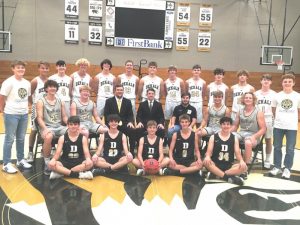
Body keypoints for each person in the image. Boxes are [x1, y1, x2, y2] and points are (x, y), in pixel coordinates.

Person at [0, 60, 32, 173]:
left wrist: (28, 107)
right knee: (9, 139)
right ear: (13, 69)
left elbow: (28, 97)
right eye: (18, 67)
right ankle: (6, 163)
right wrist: (2, 110)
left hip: (23, 114)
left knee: (21, 138)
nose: (21, 69)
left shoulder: (27, 83)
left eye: (22, 68)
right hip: (11, 114)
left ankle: (20, 159)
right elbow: (2, 96)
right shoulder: (8, 82)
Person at [269, 74, 300, 179]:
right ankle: (277, 167)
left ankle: (287, 168)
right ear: (282, 83)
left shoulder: (297, 96)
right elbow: (273, 110)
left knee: (290, 149)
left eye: (289, 81)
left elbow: (299, 110)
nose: (287, 83)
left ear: (293, 83)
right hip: (278, 126)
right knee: (277, 147)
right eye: (285, 81)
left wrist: (293, 119)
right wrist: (279, 119)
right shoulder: (277, 96)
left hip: (292, 127)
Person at [36, 80, 68, 175]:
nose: (53, 88)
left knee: (74, 132)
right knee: (48, 136)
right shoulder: (41, 101)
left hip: (59, 126)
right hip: (47, 126)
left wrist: (70, 125)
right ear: (46, 89)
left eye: (54, 86)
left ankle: (67, 158)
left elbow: (64, 117)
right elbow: (39, 118)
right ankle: (47, 161)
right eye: (50, 86)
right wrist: (45, 129)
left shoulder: (60, 101)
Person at [203, 117, 247, 185]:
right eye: (224, 124)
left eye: (228, 124)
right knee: (206, 162)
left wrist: (241, 161)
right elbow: (208, 152)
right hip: (215, 164)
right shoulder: (213, 137)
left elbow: (238, 153)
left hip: (228, 166)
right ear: (220, 125)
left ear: (230, 125)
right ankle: (227, 177)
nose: (226, 126)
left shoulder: (234, 138)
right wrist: (207, 157)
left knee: (244, 167)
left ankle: (217, 175)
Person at [231, 92, 266, 177]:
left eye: (250, 98)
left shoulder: (258, 112)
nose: (248, 99)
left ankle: (245, 167)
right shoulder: (240, 111)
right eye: (246, 98)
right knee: (230, 138)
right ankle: (231, 161)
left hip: (254, 135)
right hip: (242, 133)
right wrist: (226, 133)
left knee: (248, 142)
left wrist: (254, 137)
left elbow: (263, 129)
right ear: (243, 99)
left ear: (253, 100)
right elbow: (235, 126)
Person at [104, 84, 136, 155]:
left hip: (124, 124)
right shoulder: (109, 101)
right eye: (118, 90)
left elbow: (130, 114)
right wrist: (112, 123)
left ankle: (131, 152)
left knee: (132, 130)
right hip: (113, 124)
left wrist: (130, 122)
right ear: (114, 91)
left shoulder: (127, 101)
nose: (119, 91)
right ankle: (108, 151)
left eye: (121, 90)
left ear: (123, 91)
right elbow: (106, 115)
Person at [27, 61, 49, 163]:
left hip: (47, 108)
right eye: (42, 68)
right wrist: (33, 104)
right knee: (34, 130)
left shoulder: (50, 81)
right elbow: (29, 94)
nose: (44, 70)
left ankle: (43, 150)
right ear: (39, 69)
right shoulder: (35, 81)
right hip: (36, 107)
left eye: (46, 68)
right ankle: (30, 152)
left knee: (47, 128)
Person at [254, 74, 277, 168]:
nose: (266, 81)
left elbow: (276, 108)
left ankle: (267, 159)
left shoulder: (274, 94)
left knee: (268, 139)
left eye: (268, 80)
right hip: (257, 118)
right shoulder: (256, 93)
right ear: (261, 81)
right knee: (255, 138)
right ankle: (254, 157)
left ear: (271, 82)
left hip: (268, 118)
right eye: (264, 79)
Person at [163, 65, 184, 141]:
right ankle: (165, 136)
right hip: (169, 102)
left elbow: (183, 92)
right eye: (170, 70)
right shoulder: (165, 82)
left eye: (173, 70)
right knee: (166, 119)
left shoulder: (180, 81)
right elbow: (165, 93)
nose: (172, 71)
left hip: (177, 102)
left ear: (176, 72)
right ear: (168, 72)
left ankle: (178, 136)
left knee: (178, 119)